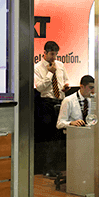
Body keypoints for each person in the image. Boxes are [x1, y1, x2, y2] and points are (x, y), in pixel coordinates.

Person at [33, 41, 69, 177]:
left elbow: (65, 79)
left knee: (58, 136)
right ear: (45, 53)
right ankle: (46, 168)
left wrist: (66, 86)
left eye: (56, 54)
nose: (54, 57)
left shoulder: (60, 65)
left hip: (60, 101)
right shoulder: (37, 67)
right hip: (46, 103)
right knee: (48, 137)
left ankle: (56, 166)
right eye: (52, 54)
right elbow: (40, 87)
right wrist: (49, 74)